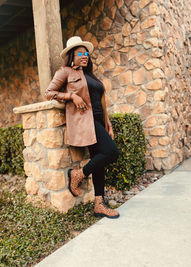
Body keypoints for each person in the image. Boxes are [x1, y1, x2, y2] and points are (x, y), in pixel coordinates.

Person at [45, 36, 120, 219]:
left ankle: (98, 205)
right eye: (80, 52)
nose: (84, 55)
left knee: (99, 161)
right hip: (86, 122)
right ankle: (79, 174)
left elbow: (102, 101)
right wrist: (72, 96)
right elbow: (49, 93)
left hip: (99, 121)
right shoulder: (65, 72)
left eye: (86, 52)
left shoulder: (91, 76)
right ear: (72, 55)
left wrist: (108, 123)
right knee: (112, 152)